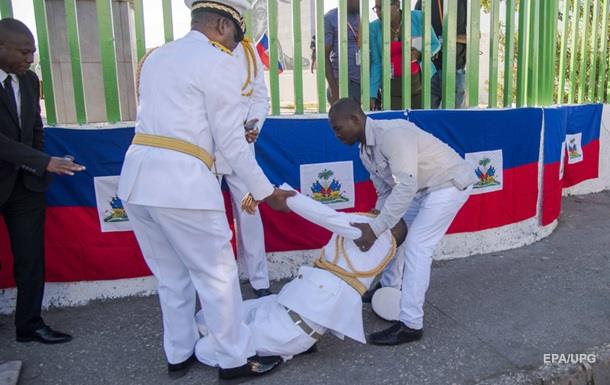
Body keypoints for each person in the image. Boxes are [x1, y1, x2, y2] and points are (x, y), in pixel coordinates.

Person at [117, 0, 294, 380]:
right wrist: (265, 192)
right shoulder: (220, 63)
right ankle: (234, 359)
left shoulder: (156, 57)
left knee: (171, 276)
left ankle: (178, 354)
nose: (236, 46)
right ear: (221, 25)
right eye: (236, 35)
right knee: (217, 276)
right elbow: (232, 142)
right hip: (182, 185)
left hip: (136, 180)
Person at [195, 184, 407, 364]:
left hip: (288, 329)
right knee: (204, 319)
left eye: (383, 213)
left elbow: (326, 216)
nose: (374, 211)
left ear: (392, 227)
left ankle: (276, 355)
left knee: (203, 349)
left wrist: (277, 193)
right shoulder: (376, 238)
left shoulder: (375, 235)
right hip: (282, 305)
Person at [328, 98, 476, 345]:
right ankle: (389, 288)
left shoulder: (392, 135)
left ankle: (410, 324)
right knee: (395, 237)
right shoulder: (365, 151)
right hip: (420, 189)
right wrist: (377, 221)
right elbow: (386, 192)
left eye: (337, 128)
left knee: (418, 247)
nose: (336, 135)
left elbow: (405, 184)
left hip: (448, 183)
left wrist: (375, 228)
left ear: (355, 119)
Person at [0, 18, 85, 344]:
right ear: (1, 47)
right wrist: (45, 162)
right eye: (24, 51)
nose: (30, 58)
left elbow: (35, 128)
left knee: (31, 258)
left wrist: (38, 168)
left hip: (26, 187)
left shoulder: (30, 80)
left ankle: (30, 325)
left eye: (33, 51)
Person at [215, 38, 272, 298]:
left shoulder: (249, 51)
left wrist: (254, 126)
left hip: (242, 146)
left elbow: (260, 96)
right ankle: (218, 283)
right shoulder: (199, 50)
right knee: (210, 216)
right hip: (207, 148)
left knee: (250, 212)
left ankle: (259, 280)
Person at [369, 0, 441, 110]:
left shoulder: (418, 18)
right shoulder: (374, 28)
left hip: (422, 84)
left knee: (420, 122)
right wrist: (372, 94)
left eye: (381, 8)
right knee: (395, 123)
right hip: (392, 88)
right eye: (376, 8)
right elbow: (376, 63)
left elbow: (435, 44)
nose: (378, 12)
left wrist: (420, 54)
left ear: (397, 5)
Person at [414, 0, 468, 109]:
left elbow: (475, 36)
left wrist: (448, 39)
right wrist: (429, 48)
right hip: (430, 71)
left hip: (455, 71)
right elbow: (416, 36)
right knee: (427, 120)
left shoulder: (463, 3)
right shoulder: (422, 3)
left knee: (455, 118)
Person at [324, 0, 361, 104]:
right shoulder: (330, 18)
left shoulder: (362, 15)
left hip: (362, 82)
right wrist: (334, 89)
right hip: (342, 83)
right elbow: (323, 57)